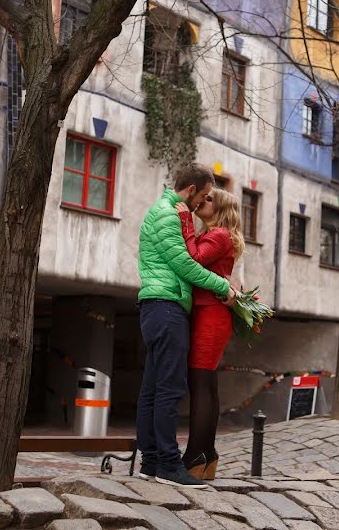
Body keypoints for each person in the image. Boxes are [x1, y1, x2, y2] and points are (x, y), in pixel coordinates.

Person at [136, 163, 236, 488]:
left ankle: (151, 462)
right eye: (204, 196)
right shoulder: (168, 214)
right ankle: (167, 463)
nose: (202, 203)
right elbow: (185, 263)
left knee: (153, 390)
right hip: (166, 307)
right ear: (192, 190)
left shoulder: (168, 212)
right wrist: (224, 287)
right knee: (168, 389)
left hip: (159, 307)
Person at [175, 188, 244, 480]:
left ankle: (194, 455)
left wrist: (185, 222)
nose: (203, 201)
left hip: (210, 316)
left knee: (200, 384)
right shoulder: (217, 235)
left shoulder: (219, 235)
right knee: (207, 385)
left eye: (210, 200)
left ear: (222, 209)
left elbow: (193, 259)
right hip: (210, 313)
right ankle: (207, 455)